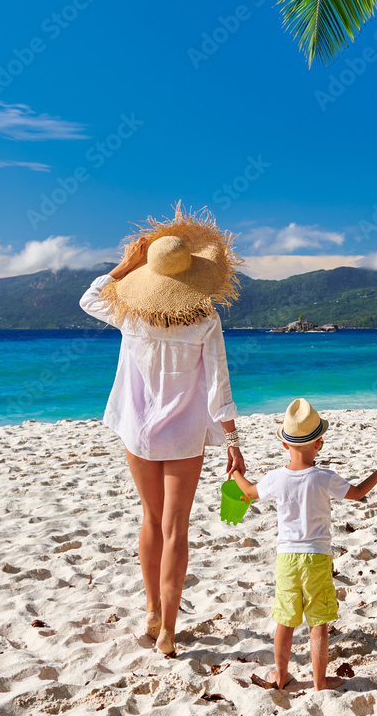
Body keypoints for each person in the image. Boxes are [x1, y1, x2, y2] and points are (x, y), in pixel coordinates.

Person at [79, 204, 245, 657]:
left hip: (139, 432)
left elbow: (91, 297)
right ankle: (168, 630)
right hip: (187, 435)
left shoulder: (131, 314)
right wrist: (232, 443)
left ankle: (152, 610)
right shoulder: (206, 319)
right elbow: (219, 384)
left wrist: (127, 265)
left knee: (150, 521)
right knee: (176, 528)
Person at [230, 398, 377, 691]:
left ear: (284, 444)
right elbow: (357, 493)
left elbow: (248, 492)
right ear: (318, 443)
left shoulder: (275, 479)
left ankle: (281, 675)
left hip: (286, 560)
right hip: (317, 558)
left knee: (285, 619)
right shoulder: (324, 478)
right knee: (318, 621)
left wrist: (235, 474)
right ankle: (319, 681)